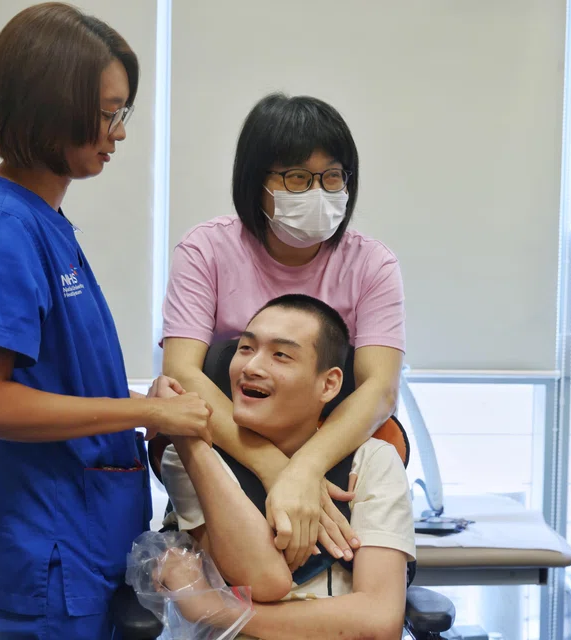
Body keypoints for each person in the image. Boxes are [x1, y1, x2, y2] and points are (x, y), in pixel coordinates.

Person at [0, 4, 211, 637]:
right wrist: (145, 412)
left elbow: (61, 382)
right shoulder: (4, 227)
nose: (119, 132)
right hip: (49, 554)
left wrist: (143, 405)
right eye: (108, 113)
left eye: (122, 112)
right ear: (49, 106)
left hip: (81, 543)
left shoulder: (41, 221)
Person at [159, 92, 406, 572]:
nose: (318, 191)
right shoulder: (206, 250)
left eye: (332, 177)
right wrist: (275, 467)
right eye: (296, 177)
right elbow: (182, 375)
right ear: (256, 181)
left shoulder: (372, 263)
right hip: (222, 457)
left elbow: (380, 388)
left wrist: (306, 468)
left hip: (333, 460)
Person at [159, 294, 414, 640]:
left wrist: (218, 609)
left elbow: (379, 621)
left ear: (329, 384)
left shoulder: (372, 461)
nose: (251, 367)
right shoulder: (192, 458)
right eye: (246, 348)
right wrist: (188, 440)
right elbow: (265, 579)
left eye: (280, 355)